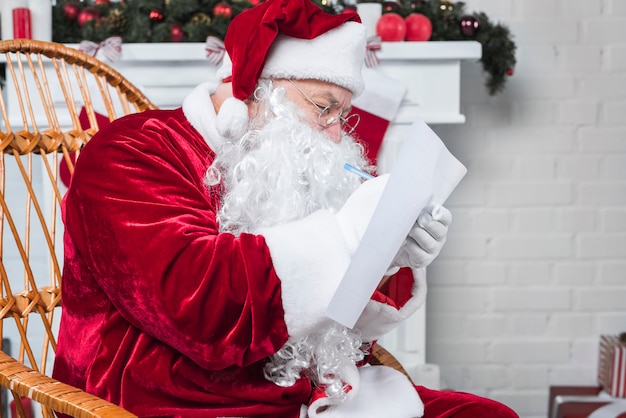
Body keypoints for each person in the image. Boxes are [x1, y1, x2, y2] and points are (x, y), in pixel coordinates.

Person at [52, 1, 518, 417]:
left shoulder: (277, 169)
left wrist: (388, 255)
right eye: (324, 107)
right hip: (176, 400)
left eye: (344, 114)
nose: (336, 134)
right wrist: (346, 237)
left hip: (298, 390)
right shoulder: (130, 153)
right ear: (256, 89)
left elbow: (330, 333)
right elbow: (199, 305)